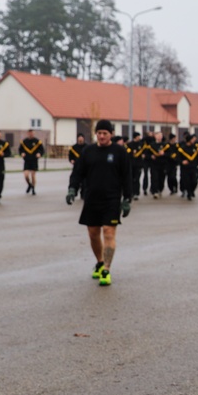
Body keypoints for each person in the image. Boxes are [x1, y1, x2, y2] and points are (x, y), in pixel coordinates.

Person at [66, 119, 132, 287]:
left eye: (105, 133)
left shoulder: (119, 152)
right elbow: (78, 172)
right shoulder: (88, 151)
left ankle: (106, 270)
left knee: (109, 232)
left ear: (111, 134)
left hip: (112, 199)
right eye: (99, 133)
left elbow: (127, 176)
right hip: (92, 198)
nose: (101, 136)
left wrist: (127, 199)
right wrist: (72, 189)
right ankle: (100, 262)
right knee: (93, 233)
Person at [19, 129, 45, 195]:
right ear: (28, 133)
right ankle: (29, 185)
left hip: (34, 160)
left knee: (33, 175)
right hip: (27, 160)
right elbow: (20, 149)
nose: (31, 134)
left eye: (32, 133)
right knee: (26, 175)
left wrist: (39, 154)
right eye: (30, 133)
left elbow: (41, 150)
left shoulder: (37, 141)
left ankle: (33, 188)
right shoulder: (24, 141)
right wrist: (22, 153)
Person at [176, 134, 198, 200]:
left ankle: (192, 190)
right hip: (185, 168)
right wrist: (182, 162)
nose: (194, 140)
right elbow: (177, 158)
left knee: (194, 181)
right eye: (192, 139)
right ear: (189, 140)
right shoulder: (182, 149)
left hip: (193, 167)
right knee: (187, 181)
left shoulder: (195, 148)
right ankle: (189, 193)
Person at [68, 133, 88, 198]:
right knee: (75, 179)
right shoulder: (73, 148)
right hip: (77, 166)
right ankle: (74, 192)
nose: (80, 140)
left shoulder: (87, 147)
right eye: (79, 139)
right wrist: (71, 160)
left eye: (81, 139)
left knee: (84, 181)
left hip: (85, 166)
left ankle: (83, 193)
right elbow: (70, 156)